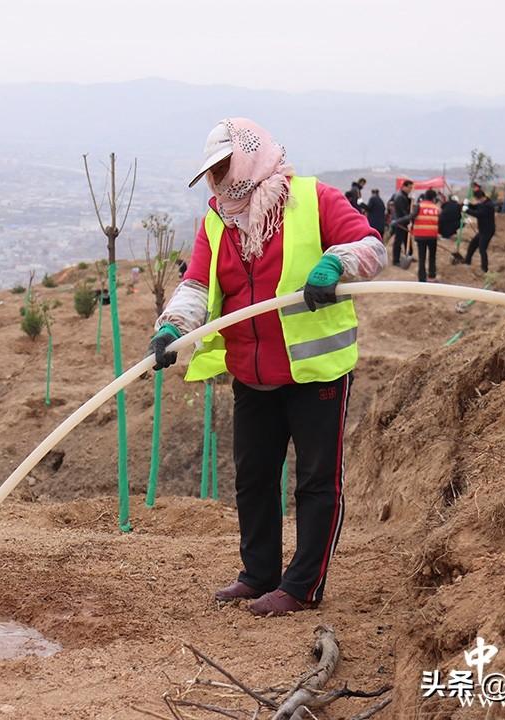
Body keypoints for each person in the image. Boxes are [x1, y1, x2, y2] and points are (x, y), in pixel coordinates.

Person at [147, 118, 386, 616]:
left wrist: (335, 265)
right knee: (253, 476)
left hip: (314, 372)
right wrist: (172, 326)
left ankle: (302, 585)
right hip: (252, 373)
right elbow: (195, 285)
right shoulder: (218, 221)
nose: (218, 182)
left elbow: (370, 246)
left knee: (317, 481)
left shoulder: (313, 198)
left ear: (248, 158)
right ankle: (258, 574)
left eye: (223, 168)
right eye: (211, 173)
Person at [463, 184, 497, 272]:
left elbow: (478, 214)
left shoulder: (488, 206)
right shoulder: (483, 203)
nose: (477, 201)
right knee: (472, 245)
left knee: (482, 249)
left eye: (477, 199)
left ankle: (484, 269)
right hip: (482, 230)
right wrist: (467, 204)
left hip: (487, 231)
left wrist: (467, 210)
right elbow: (476, 207)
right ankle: (467, 262)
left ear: (480, 198)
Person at [411, 189, 440, 282]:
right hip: (432, 236)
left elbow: (411, 217)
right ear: (434, 198)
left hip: (420, 236)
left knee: (422, 257)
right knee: (432, 257)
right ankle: (432, 276)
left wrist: (397, 222)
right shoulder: (436, 208)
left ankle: (422, 279)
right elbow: (441, 222)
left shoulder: (419, 206)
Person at [389, 180, 414, 267]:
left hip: (403, 221)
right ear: (404, 186)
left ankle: (409, 255)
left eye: (411, 188)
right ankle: (396, 260)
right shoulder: (400, 196)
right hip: (400, 222)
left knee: (407, 239)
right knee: (398, 242)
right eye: (409, 187)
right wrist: (408, 219)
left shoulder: (404, 196)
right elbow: (402, 211)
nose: (410, 190)